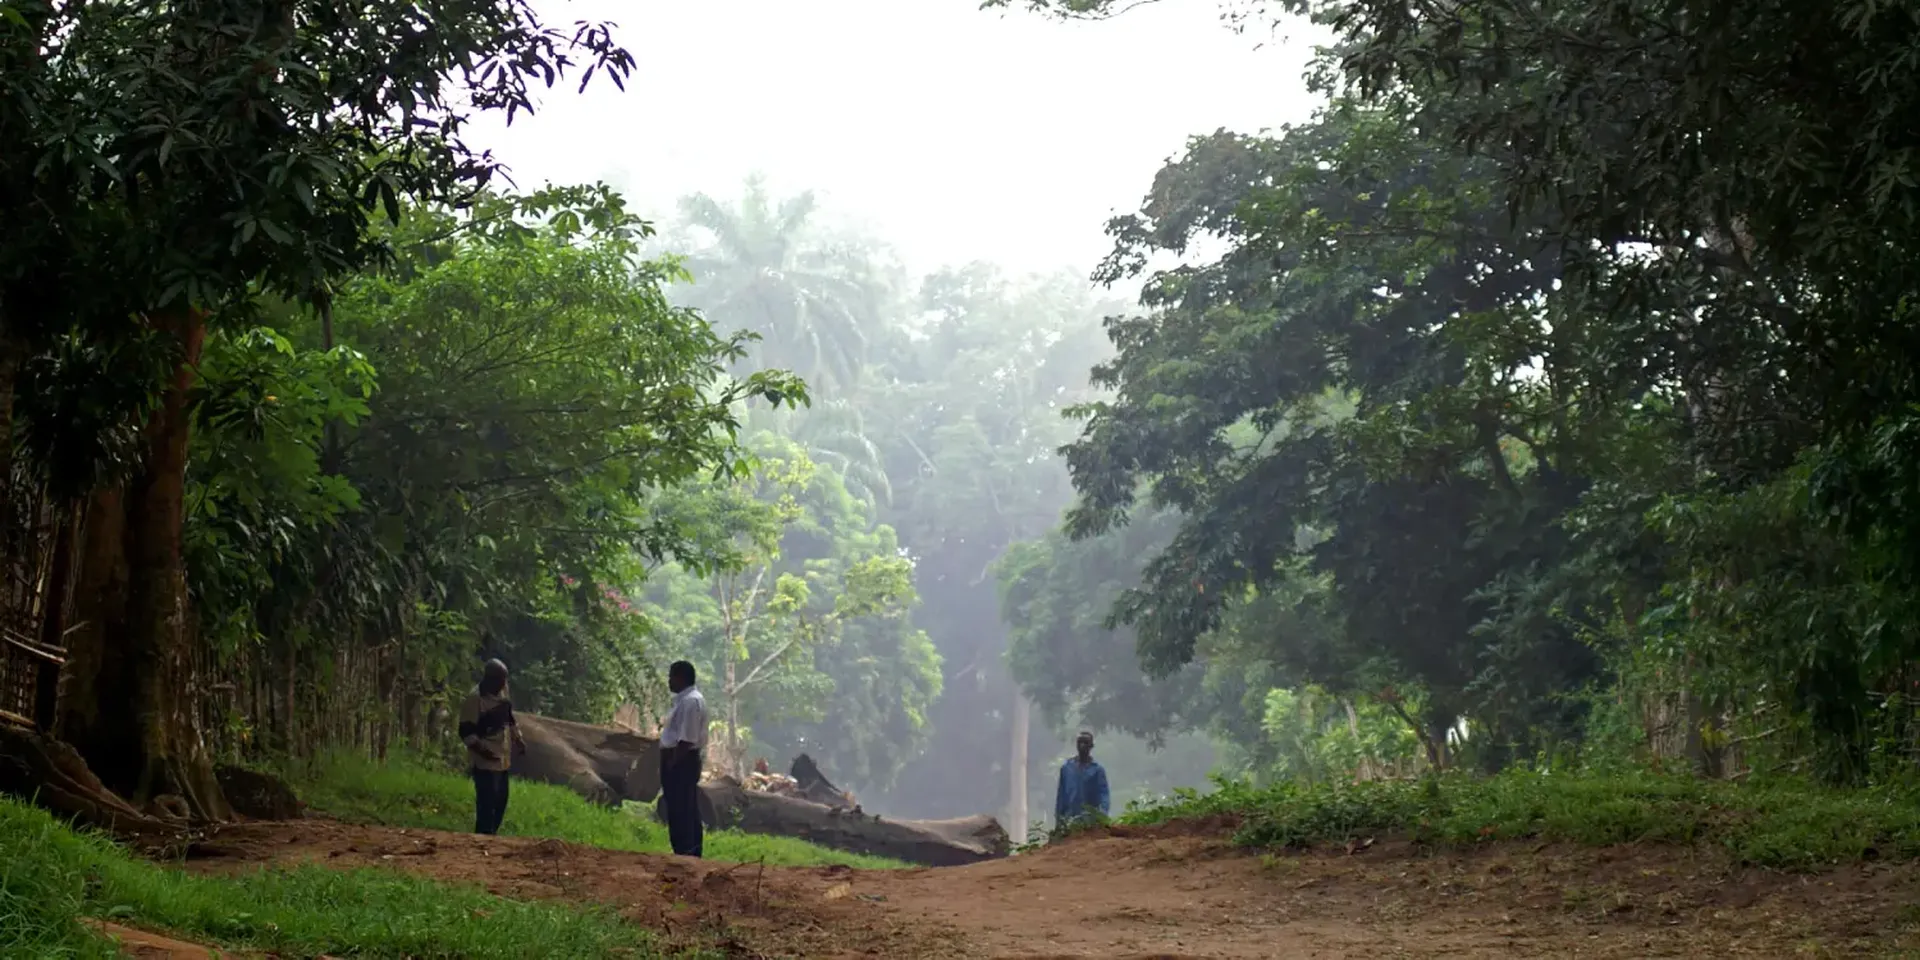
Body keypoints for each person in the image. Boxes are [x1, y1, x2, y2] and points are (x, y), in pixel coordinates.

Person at [458, 658, 525, 836]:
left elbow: (509, 717)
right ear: (490, 679)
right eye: (501, 680)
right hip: (484, 761)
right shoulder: (475, 699)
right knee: (487, 802)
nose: (504, 684)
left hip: (502, 758)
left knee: (501, 801)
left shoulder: (502, 693)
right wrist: (483, 752)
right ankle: (483, 838)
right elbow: (466, 732)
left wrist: (518, 739)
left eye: (505, 679)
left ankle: (491, 836)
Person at [658, 660, 708, 857]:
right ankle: (685, 850)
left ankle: (686, 852)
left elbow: (687, 739)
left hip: (682, 760)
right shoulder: (684, 701)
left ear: (681, 678)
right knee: (681, 806)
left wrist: (672, 762)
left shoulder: (691, 702)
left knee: (682, 808)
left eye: (671, 676)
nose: (669, 681)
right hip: (679, 758)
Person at [1054, 730, 1110, 828]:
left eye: (1086, 743)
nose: (1082, 746)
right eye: (1080, 742)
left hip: (1090, 821)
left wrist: (1102, 814)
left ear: (1091, 746)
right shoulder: (1067, 768)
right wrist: (1059, 819)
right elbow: (1061, 795)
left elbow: (1103, 795)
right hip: (1069, 819)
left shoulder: (1097, 770)